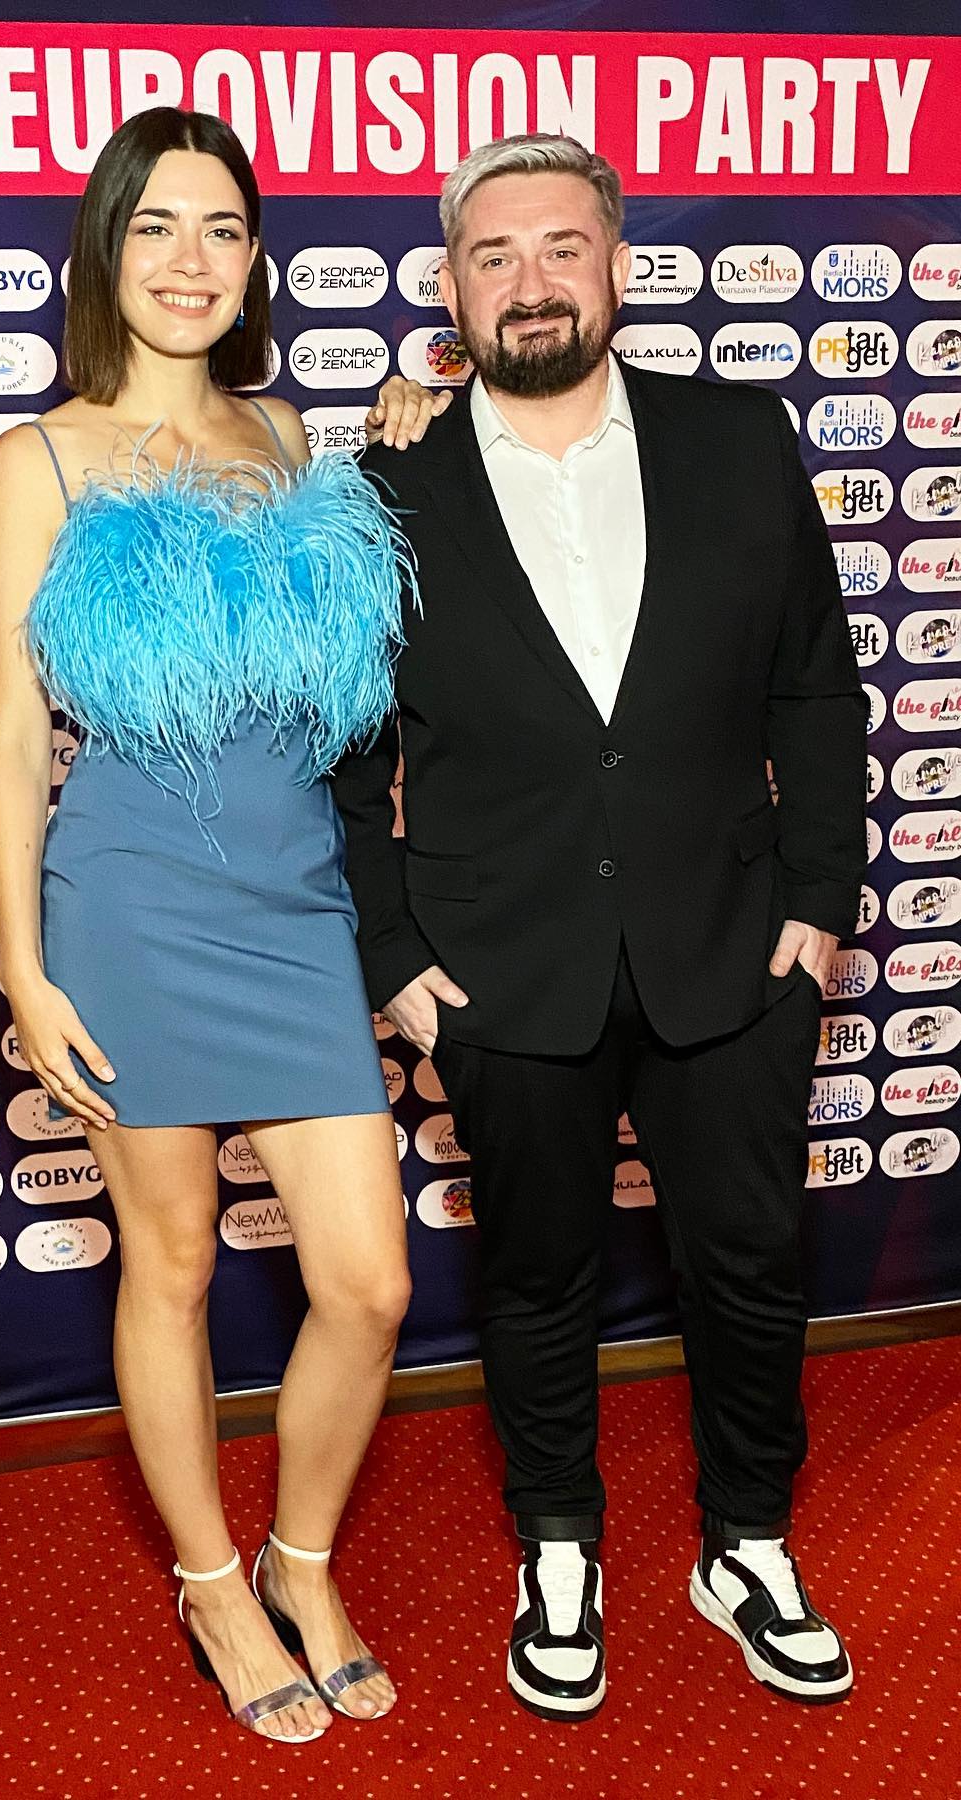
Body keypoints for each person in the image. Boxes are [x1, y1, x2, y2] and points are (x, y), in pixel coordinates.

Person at [334, 132, 867, 1720]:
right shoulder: (386, 491)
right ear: (450, 290)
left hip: (734, 946)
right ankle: (556, 1541)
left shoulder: (737, 438)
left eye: (561, 247)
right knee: (535, 1276)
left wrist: (817, 902)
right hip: (500, 964)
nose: (531, 283)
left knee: (752, 1266)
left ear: (619, 265)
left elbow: (814, 687)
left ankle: (748, 1545)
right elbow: (347, 755)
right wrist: (394, 957)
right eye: (492, 257)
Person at [0, 106, 447, 1745]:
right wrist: (24, 968)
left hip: (296, 898)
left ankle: (299, 1561)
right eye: (157, 226)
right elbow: (17, 738)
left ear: (255, 260)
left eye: (224, 229)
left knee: (369, 1282)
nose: (191, 261)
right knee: (169, 1263)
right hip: (130, 907)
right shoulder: (38, 460)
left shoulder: (292, 434)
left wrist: (415, 422)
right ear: (107, 249)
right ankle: (209, 1584)